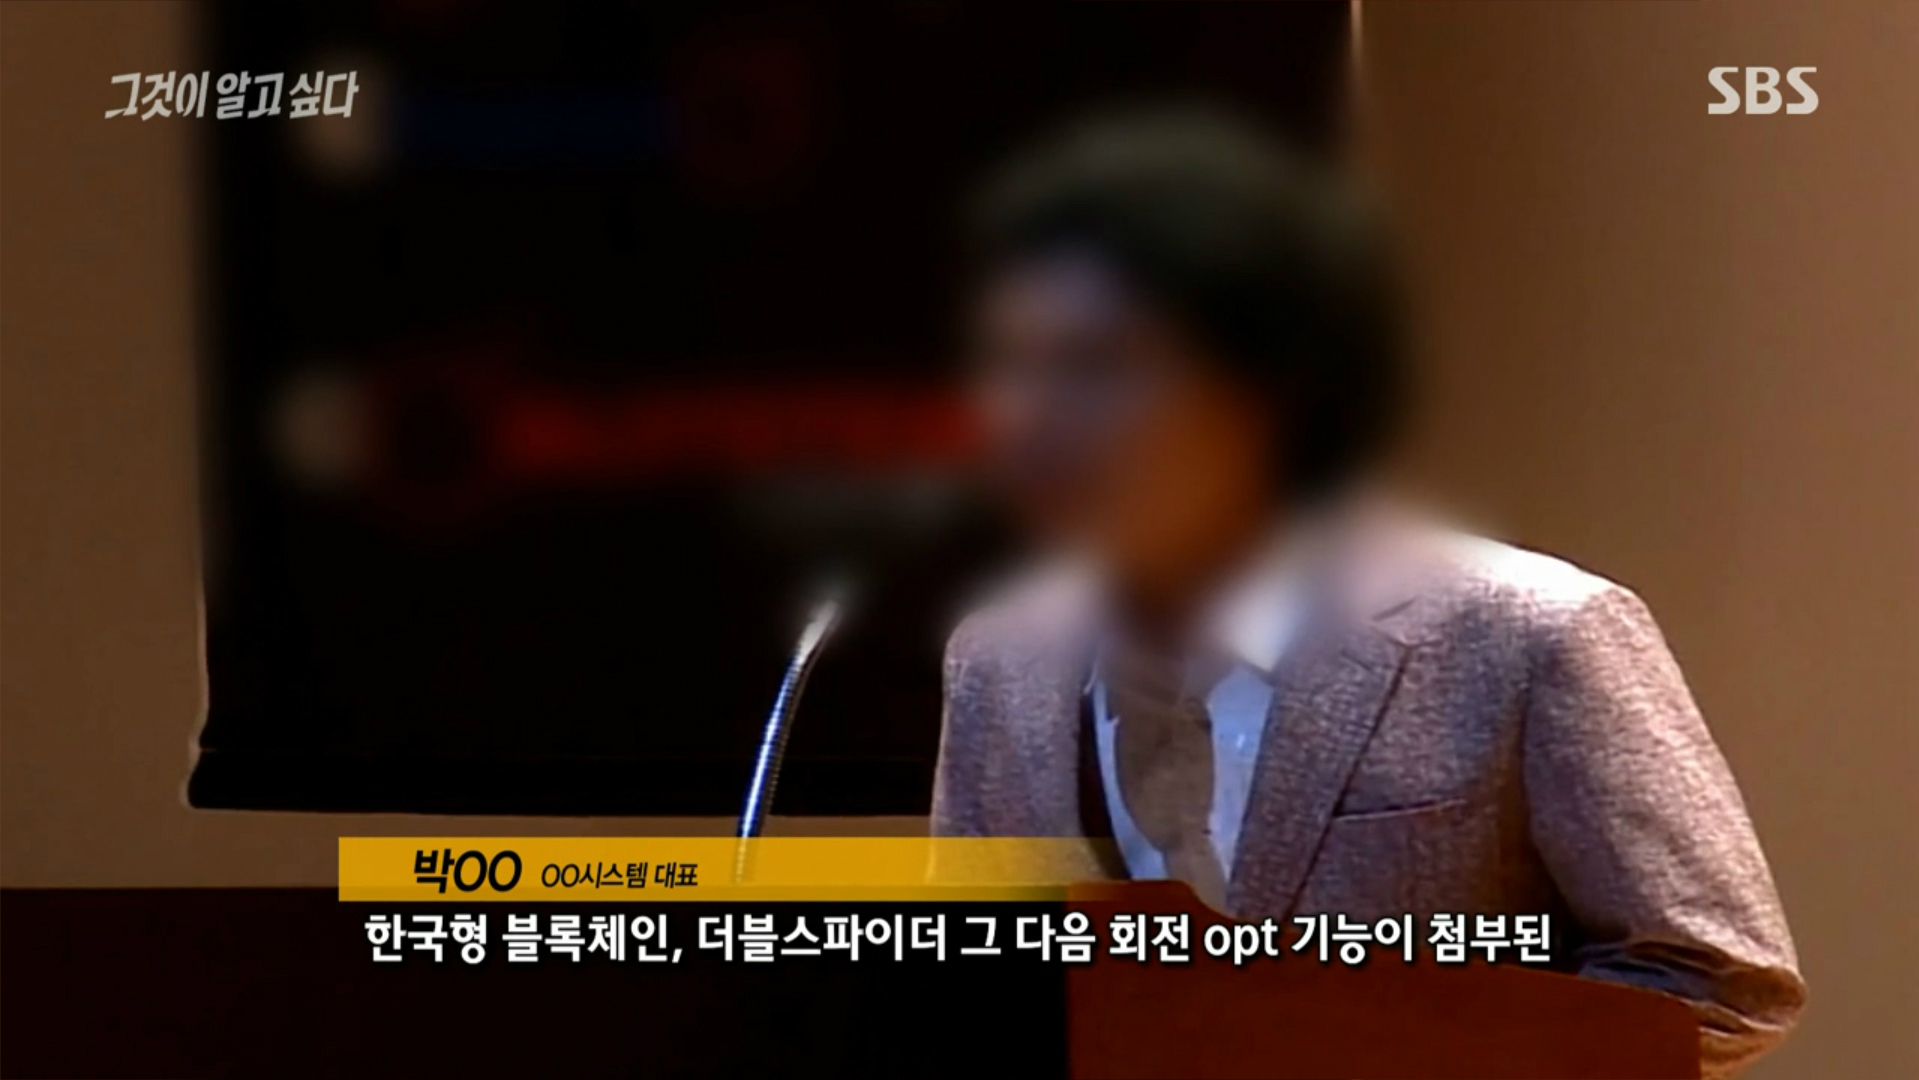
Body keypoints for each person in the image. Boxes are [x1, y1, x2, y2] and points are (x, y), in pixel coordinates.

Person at [931, 107, 1804, 1077]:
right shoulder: (1001, 657)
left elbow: (1720, 983)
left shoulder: (1529, 634)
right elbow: (969, 994)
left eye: (1097, 366)